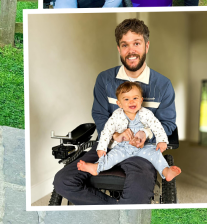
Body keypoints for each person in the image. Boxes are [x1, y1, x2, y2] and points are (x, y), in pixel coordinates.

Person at [53, 18, 177, 205]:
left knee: (138, 194)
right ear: (119, 49)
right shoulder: (105, 80)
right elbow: (101, 116)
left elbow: (168, 124)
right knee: (63, 181)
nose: (131, 50)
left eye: (137, 43)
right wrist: (116, 135)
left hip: (141, 150)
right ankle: (114, 209)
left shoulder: (163, 85)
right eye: (125, 45)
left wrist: (145, 133)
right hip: (109, 144)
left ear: (147, 46)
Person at [77, 81, 182, 182]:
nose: (131, 101)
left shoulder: (146, 113)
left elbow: (157, 126)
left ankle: (166, 171)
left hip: (143, 146)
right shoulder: (116, 116)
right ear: (119, 104)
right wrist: (102, 148)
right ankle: (96, 167)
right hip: (123, 147)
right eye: (126, 99)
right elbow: (107, 131)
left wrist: (161, 140)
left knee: (156, 154)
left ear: (141, 100)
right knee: (111, 157)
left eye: (135, 98)